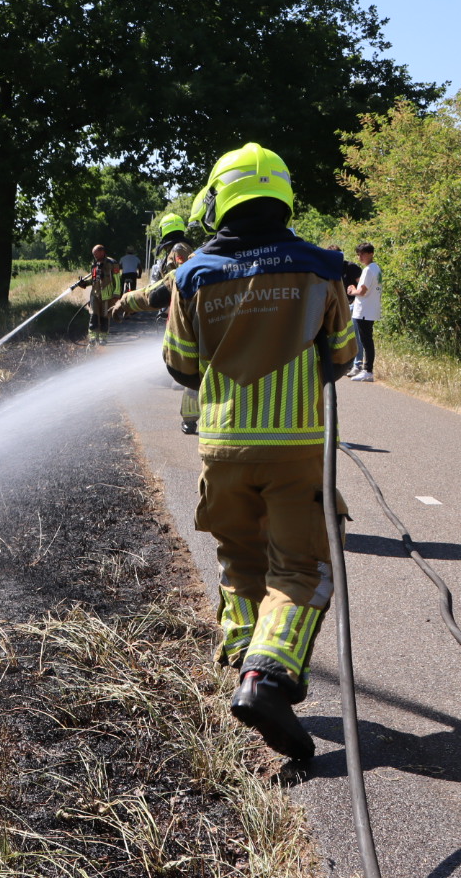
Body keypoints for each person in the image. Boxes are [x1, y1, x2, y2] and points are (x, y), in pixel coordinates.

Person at [163, 143, 356, 762]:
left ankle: (246, 662)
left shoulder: (191, 274)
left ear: (218, 200)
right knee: (300, 569)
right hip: (296, 447)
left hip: (221, 448)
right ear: (283, 196)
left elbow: (182, 367)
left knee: (241, 563)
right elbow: (345, 356)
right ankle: (267, 681)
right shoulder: (322, 268)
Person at [113, 241, 200, 433]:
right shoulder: (273, 261)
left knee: (196, 366)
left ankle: (190, 419)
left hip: (194, 329)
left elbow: (154, 293)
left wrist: (125, 302)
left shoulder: (196, 265)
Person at [74, 243, 121, 345]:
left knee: (105, 316)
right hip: (95, 295)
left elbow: (117, 279)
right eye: (93, 254)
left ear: (102, 252)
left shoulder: (112, 263)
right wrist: (84, 284)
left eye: (95, 253)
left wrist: (116, 294)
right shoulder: (94, 264)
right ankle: (93, 337)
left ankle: (103, 338)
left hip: (107, 295)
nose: (94, 255)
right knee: (93, 316)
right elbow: (94, 280)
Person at [347, 242, 381, 382]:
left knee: (365, 340)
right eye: (358, 254)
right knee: (366, 339)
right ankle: (366, 370)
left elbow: (362, 291)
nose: (360, 256)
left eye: (363, 253)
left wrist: (352, 291)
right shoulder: (376, 268)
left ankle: (367, 370)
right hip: (370, 308)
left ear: (371, 254)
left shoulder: (368, 270)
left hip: (364, 310)